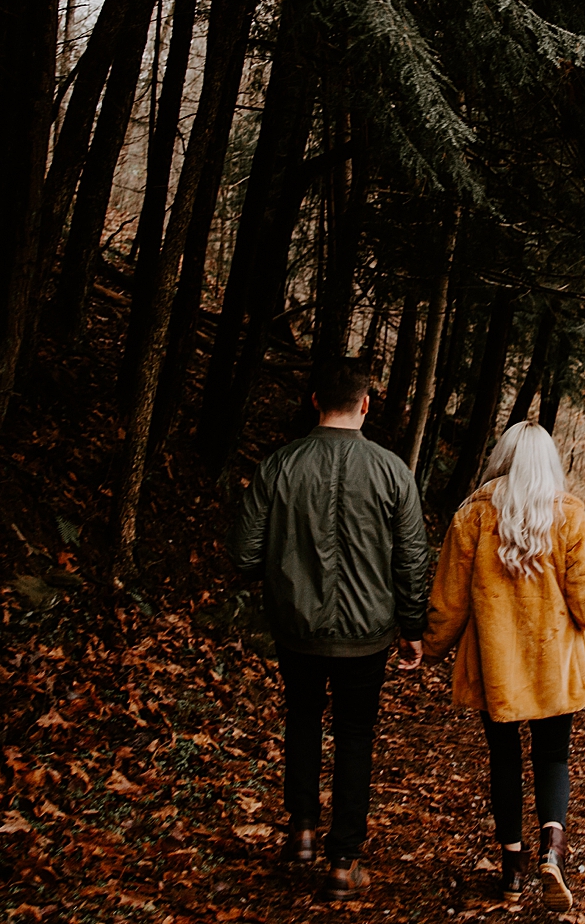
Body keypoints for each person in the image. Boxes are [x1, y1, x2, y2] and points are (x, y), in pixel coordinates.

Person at [231, 357, 429, 903]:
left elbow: (246, 552)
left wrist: (281, 577)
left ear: (315, 401)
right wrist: (412, 626)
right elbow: (413, 558)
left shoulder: (278, 465)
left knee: (301, 720)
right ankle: (343, 861)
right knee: (356, 737)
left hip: (297, 628)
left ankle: (300, 832)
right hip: (367, 635)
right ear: (366, 405)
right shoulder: (394, 471)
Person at [422, 421, 585, 908]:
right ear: (549, 461)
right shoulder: (568, 515)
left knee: (503, 759)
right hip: (554, 664)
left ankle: (511, 870)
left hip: (495, 664)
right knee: (553, 756)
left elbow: (449, 600)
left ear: (501, 457)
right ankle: (551, 849)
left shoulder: (472, 515)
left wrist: (428, 646)